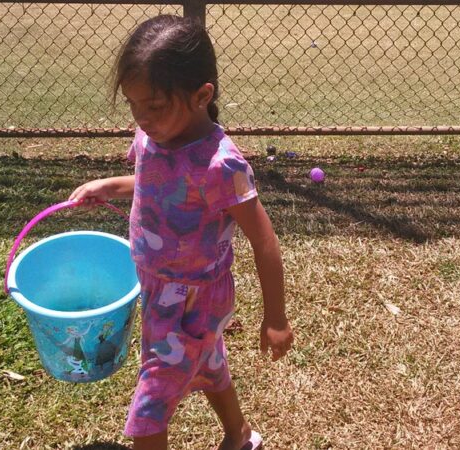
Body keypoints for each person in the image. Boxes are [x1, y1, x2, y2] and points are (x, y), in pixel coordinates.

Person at [69, 14, 293, 450]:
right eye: (133, 104)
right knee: (207, 362)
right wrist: (110, 185)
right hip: (158, 287)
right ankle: (240, 436)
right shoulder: (151, 136)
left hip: (194, 298)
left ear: (201, 96)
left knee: (151, 402)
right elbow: (156, 182)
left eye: (154, 106)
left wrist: (276, 317)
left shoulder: (221, 166)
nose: (142, 117)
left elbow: (263, 240)